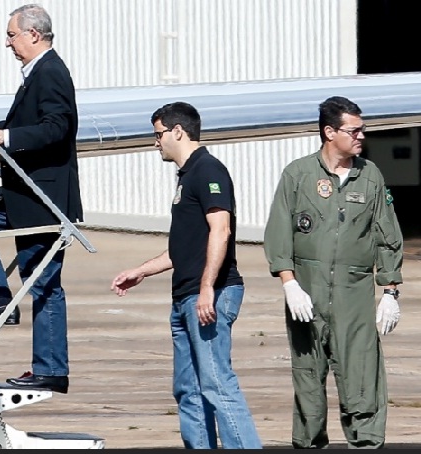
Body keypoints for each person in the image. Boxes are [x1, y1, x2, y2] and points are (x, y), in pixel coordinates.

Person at [110, 101, 262, 449]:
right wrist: (141, 271)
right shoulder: (187, 176)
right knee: (188, 389)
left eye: (158, 134)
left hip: (208, 295)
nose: (156, 142)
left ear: (178, 131)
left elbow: (220, 231)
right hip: (185, 297)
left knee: (216, 384)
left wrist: (207, 288)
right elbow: (184, 249)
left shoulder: (208, 170)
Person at [0, 3, 81, 394]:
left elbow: (57, 128)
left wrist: (5, 138)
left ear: (34, 35)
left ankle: (52, 370)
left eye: (12, 35)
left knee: (43, 284)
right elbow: (29, 124)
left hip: (42, 197)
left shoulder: (51, 72)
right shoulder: (35, 74)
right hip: (22, 192)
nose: (7, 43)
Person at [263, 95, 403, 449]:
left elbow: (387, 235)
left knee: (362, 377)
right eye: (353, 130)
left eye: (362, 130)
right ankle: (309, 444)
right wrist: (289, 283)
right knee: (308, 380)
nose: (361, 137)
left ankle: (367, 443)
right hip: (305, 295)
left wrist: (390, 291)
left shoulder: (369, 176)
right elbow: (278, 232)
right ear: (329, 132)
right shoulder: (298, 174)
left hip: (353, 295)